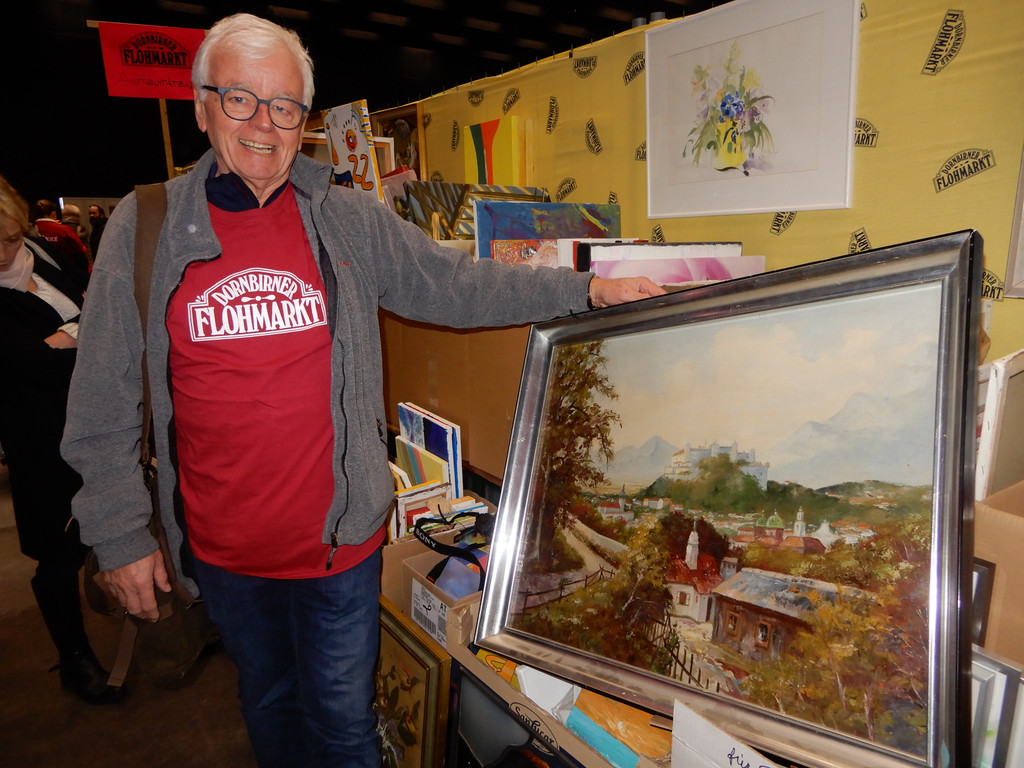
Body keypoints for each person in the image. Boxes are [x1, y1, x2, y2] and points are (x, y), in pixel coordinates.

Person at [60, 12, 664, 767]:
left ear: (304, 123)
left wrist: (587, 291)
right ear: (202, 106)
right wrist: (119, 536)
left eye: (285, 107)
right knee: (269, 706)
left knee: (345, 729)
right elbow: (102, 398)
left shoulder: (346, 219)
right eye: (241, 99)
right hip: (224, 552)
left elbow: (455, 283)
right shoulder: (145, 226)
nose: (264, 124)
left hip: (339, 548)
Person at [0, 174, 121, 705]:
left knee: (120, 521)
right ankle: (74, 657)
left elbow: (104, 308)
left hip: (99, 419)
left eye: (10, 238)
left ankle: (168, 624)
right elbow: (35, 365)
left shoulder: (42, 253)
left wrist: (67, 336)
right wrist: (83, 328)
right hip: (38, 438)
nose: (4, 253)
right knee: (58, 551)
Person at [32, 199, 89, 274]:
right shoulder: (65, 230)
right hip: (66, 274)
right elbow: (81, 257)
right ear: (53, 214)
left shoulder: (26, 232)